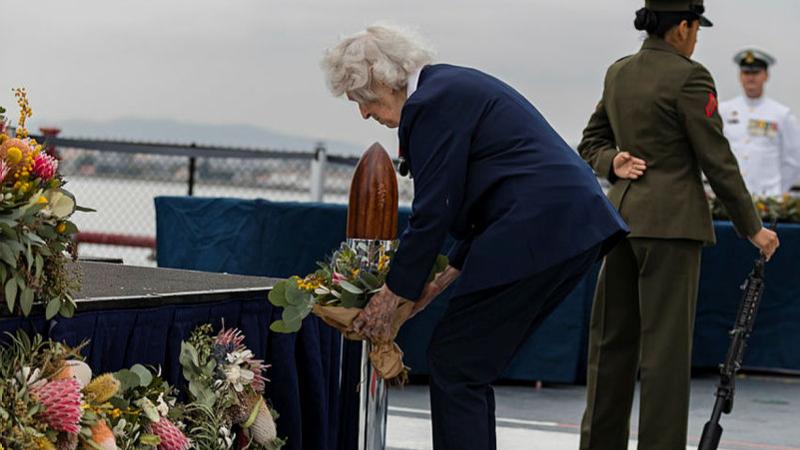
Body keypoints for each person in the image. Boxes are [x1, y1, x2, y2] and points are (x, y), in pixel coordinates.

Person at [321, 24, 628, 450]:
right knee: (465, 362)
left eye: (361, 99)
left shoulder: (430, 102)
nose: (364, 114)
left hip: (541, 227)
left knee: (457, 362)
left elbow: (434, 210)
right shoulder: (447, 87)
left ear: (380, 80)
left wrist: (391, 296)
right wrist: (436, 283)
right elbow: (480, 197)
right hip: (566, 225)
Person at [577, 2, 780, 449]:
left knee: (609, 349)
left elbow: (590, 142)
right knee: (663, 356)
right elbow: (717, 159)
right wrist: (752, 227)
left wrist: (613, 162)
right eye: (695, 28)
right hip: (671, 227)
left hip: (620, 222)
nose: (696, 37)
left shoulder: (619, 72)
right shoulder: (690, 76)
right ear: (682, 26)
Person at [719, 47, 800, 196]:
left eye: (756, 72)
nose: (751, 78)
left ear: (766, 76)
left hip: (767, 199)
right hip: (730, 197)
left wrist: (776, 193)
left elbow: (794, 161)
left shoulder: (782, 114)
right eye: (746, 72)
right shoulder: (724, 111)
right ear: (740, 76)